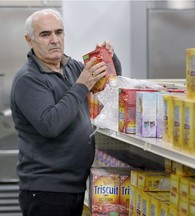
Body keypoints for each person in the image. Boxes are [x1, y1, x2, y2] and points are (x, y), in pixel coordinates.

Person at [10, 8, 122, 216]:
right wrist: (81, 85)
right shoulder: (28, 79)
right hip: (46, 191)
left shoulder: (71, 67)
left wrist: (109, 60)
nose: (54, 40)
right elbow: (50, 125)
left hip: (74, 186)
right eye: (45, 34)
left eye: (59, 32)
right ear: (29, 40)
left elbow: (104, 86)